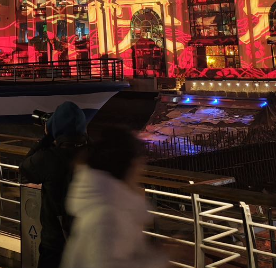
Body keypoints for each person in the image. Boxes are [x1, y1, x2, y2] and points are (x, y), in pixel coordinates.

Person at [61, 128, 166, 268]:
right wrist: (161, 260)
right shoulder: (106, 217)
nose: (143, 170)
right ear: (128, 167)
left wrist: (163, 256)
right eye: (139, 164)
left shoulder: (113, 205)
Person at [19, 101, 89, 268]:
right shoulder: (93, 155)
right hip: (86, 242)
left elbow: (24, 169)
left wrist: (47, 138)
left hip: (55, 242)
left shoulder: (49, 157)